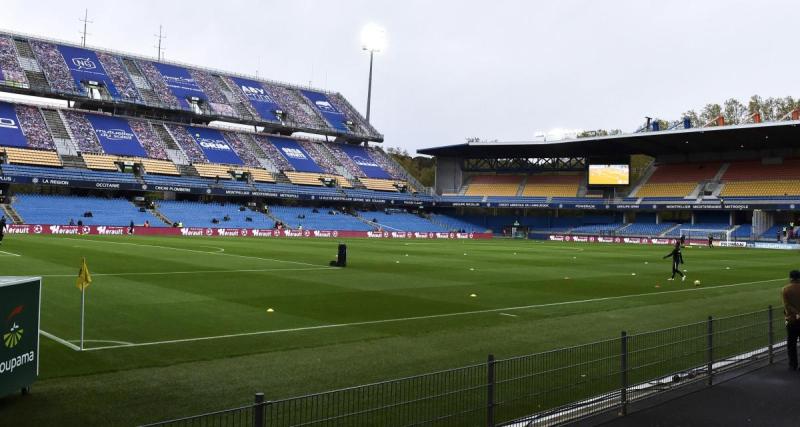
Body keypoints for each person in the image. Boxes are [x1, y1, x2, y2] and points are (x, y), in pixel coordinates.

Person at [783, 270, 800, 371]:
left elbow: (787, 306)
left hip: (792, 320)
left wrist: (797, 313)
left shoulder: (785, 289)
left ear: (790, 278)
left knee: (791, 344)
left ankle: (793, 365)